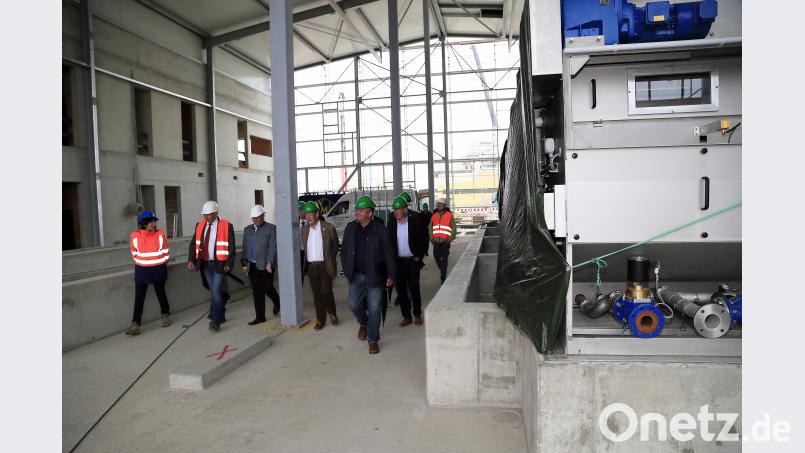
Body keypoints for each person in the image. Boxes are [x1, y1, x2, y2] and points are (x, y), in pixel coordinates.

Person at [341, 195, 395, 354]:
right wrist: (346, 267)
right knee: (353, 304)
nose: (357, 212)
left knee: (374, 308)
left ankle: (373, 339)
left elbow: (388, 253)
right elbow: (344, 251)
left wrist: (391, 275)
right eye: (356, 209)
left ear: (370, 213)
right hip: (355, 276)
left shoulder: (380, 230)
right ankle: (363, 323)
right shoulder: (350, 228)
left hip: (374, 276)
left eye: (361, 210)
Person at [187, 201, 236, 332]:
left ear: (216, 213)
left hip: (219, 264)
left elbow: (231, 247)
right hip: (205, 264)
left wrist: (229, 263)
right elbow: (194, 243)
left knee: (215, 291)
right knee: (214, 291)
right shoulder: (200, 225)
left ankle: (215, 321)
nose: (206, 217)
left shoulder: (226, 226)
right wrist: (191, 259)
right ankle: (220, 315)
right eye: (205, 215)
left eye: (209, 215)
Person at [125, 211, 171, 335]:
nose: (153, 223)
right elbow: (134, 254)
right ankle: (135, 324)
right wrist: (145, 263)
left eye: (154, 221)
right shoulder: (134, 236)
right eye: (151, 221)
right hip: (142, 270)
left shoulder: (160, 235)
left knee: (160, 293)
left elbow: (166, 252)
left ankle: (165, 315)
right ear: (143, 223)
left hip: (158, 268)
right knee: (139, 298)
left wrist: (157, 262)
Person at [387, 197, 428, 326]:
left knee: (414, 288)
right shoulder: (392, 222)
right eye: (394, 209)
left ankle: (417, 314)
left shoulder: (415, 221)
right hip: (398, 262)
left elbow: (423, 240)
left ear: (405, 209)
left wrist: (419, 257)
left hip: (412, 261)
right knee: (401, 290)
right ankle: (407, 316)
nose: (396, 212)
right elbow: (389, 242)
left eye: (398, 209)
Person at [301, 201, 340, 330]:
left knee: (325, 291)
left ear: (317, 214)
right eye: (306, 214)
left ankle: (332, 312)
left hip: (324, 265)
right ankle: (320, 320)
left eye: (310, 214)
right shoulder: (304, 230)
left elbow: (334, 247)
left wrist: (329, 260)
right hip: (311, 266)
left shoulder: (328, 228)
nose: (308, 217)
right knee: (317, 294)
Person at [240, 204, 280, 325]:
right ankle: (260, 316)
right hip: (252, 265)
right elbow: (245, 247)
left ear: (263, 216)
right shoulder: (247, 230)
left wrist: (270, 262)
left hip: (266, 265)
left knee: (267, 287)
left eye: (258, 217)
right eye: (253, 218)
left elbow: (273, 246)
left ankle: (277, 302)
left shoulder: (271, 228)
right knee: (257, 291)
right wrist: (244, 262)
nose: (255, 220)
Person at [429, 198, 456, 284]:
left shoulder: (449, 215)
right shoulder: (434, 215)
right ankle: (442, 270)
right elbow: (430, 227)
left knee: (444, 258)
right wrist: (431, 238)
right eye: (438, 205)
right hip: (436, 241)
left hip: (445, 241)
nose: (439, 206)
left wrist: (450, 238)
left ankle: (443, 276)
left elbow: (454, 228)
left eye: (440, 205)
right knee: (436, 257)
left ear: (444, 206)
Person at [297, 200, 307, 282]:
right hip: (299, 251)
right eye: (298, 210)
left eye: (302, 210)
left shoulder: (311, 221)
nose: (300, 212)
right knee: (300, 272)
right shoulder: (294, 223)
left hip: (309, 251)